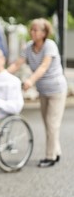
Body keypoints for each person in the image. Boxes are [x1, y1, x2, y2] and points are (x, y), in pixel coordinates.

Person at [8, 18, 67, 168]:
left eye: (35, 30)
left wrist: (30, 80)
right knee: (48, 124)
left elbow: (43, 66)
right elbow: (17, 64)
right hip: (43, 91)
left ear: (44, 32)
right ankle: (56, 151)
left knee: (52, 124)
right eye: (31, 29)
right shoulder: (28, 47)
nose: (32, 32)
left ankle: (50, 156)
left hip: (56, 90)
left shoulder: (50, 45)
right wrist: (2, 74)